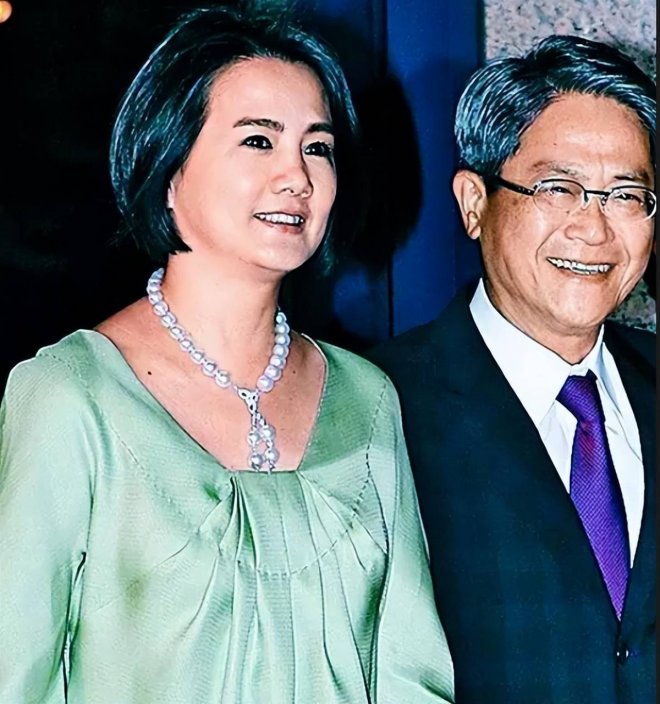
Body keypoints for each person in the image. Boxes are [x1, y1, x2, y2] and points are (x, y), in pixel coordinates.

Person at [0, 6, 454, 703]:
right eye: (258, 141)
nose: (296, 176)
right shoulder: (72, 395)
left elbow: (410, 674)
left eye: (318, 148)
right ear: (169, 168)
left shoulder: (367, 399)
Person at [369, 35, 655, 704]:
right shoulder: (381, 405)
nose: (594, 228)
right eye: (558, 188)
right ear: (474, 202)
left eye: (626, 195)